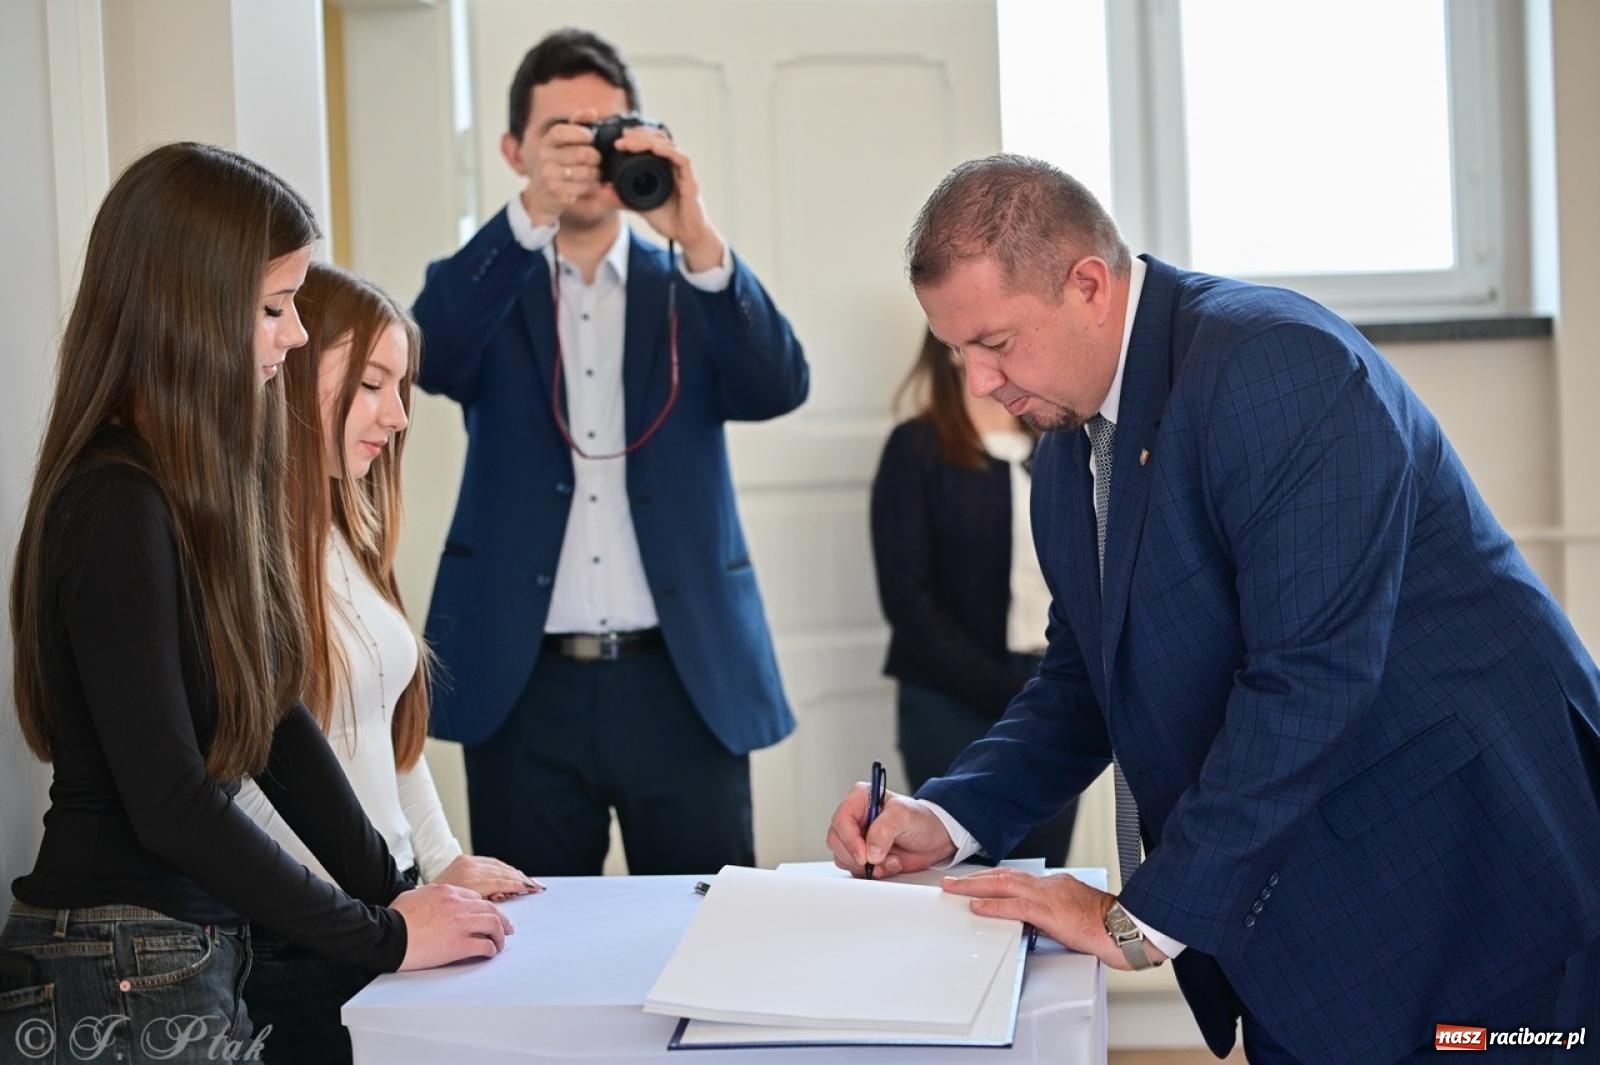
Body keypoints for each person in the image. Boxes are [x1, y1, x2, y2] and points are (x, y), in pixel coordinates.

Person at [828, 154, 1600, 1064]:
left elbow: (1308, 681)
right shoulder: (1069, 449)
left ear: (1088, 285)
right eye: (959, 350)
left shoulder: (1277, 366)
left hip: (1466, 867)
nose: (978, 381)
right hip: (1296, 901)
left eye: (995, 342)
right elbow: (1082, 683)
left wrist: (1139, 920)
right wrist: (949, 817)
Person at [2, 142, 511, 1062]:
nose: (294, 333)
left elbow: (275, 724)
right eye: (274, 308)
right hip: (118, 954)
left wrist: (400, 888)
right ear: (187, 308)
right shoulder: (116, 500)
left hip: (178, 947)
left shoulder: (186, 491)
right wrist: (386, 934)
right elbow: (169, 800)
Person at [413, 28, 808, 876]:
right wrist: (529, 220)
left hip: (683, 676)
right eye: (561, 133)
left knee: (707, 938)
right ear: (515, 150)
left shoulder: (688, 281)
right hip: (526, 686)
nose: (583, 155)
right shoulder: (487, 281)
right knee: (535, 956)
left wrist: (696, 235)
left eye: (602, 129)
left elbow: (779, 385)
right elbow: (429, 353)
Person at [232, 262, 542, 1064]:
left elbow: (384, 731)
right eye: (372, 384)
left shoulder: (347, 531)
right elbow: (252, 776)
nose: (398, 415)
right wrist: (389, 903)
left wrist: (440, 862)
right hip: (302, 935)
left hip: (381, 909)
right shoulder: (239, 550)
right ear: (295, 372)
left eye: (400, 387)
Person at [870, 328, 1076, 864]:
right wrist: (1005, 692)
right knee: (954, 880)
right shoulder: (916, 449)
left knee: (1040, 873)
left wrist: (1053, 691)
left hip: (1054, 691)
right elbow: (909, 601)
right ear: (947, 346)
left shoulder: (1061, 442)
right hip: (948, 700)